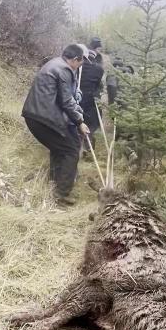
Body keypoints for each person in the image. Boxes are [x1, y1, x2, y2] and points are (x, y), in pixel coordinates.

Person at [22, 44, 91, 206]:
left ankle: (54, 182)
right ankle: (61, 194)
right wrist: (79, 121)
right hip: (45, 117)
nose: (79, 66)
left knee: (59, 147)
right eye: (80, 63)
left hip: (34, 115)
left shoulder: (53, 63)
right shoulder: (64, 70)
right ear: (75, 59)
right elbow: (66, 101)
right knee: (72, 149)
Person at [79, 36, 104, 150]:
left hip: (77, 99)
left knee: (79, 122)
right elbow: (98, 84)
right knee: (91, 124)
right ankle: (88, 148)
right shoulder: (98, 68)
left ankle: (82, 146)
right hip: (91, 100)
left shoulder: (78, 64)